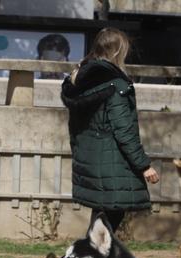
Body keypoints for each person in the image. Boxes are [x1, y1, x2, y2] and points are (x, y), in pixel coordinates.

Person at [60, 28, 158, 233]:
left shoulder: (78, 79)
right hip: (112, 163)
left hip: (89, 161)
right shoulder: (116, 84)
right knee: (106, 224)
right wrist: (144, 165)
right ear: (117, 52)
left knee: (100, 224)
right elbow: (124, 130)